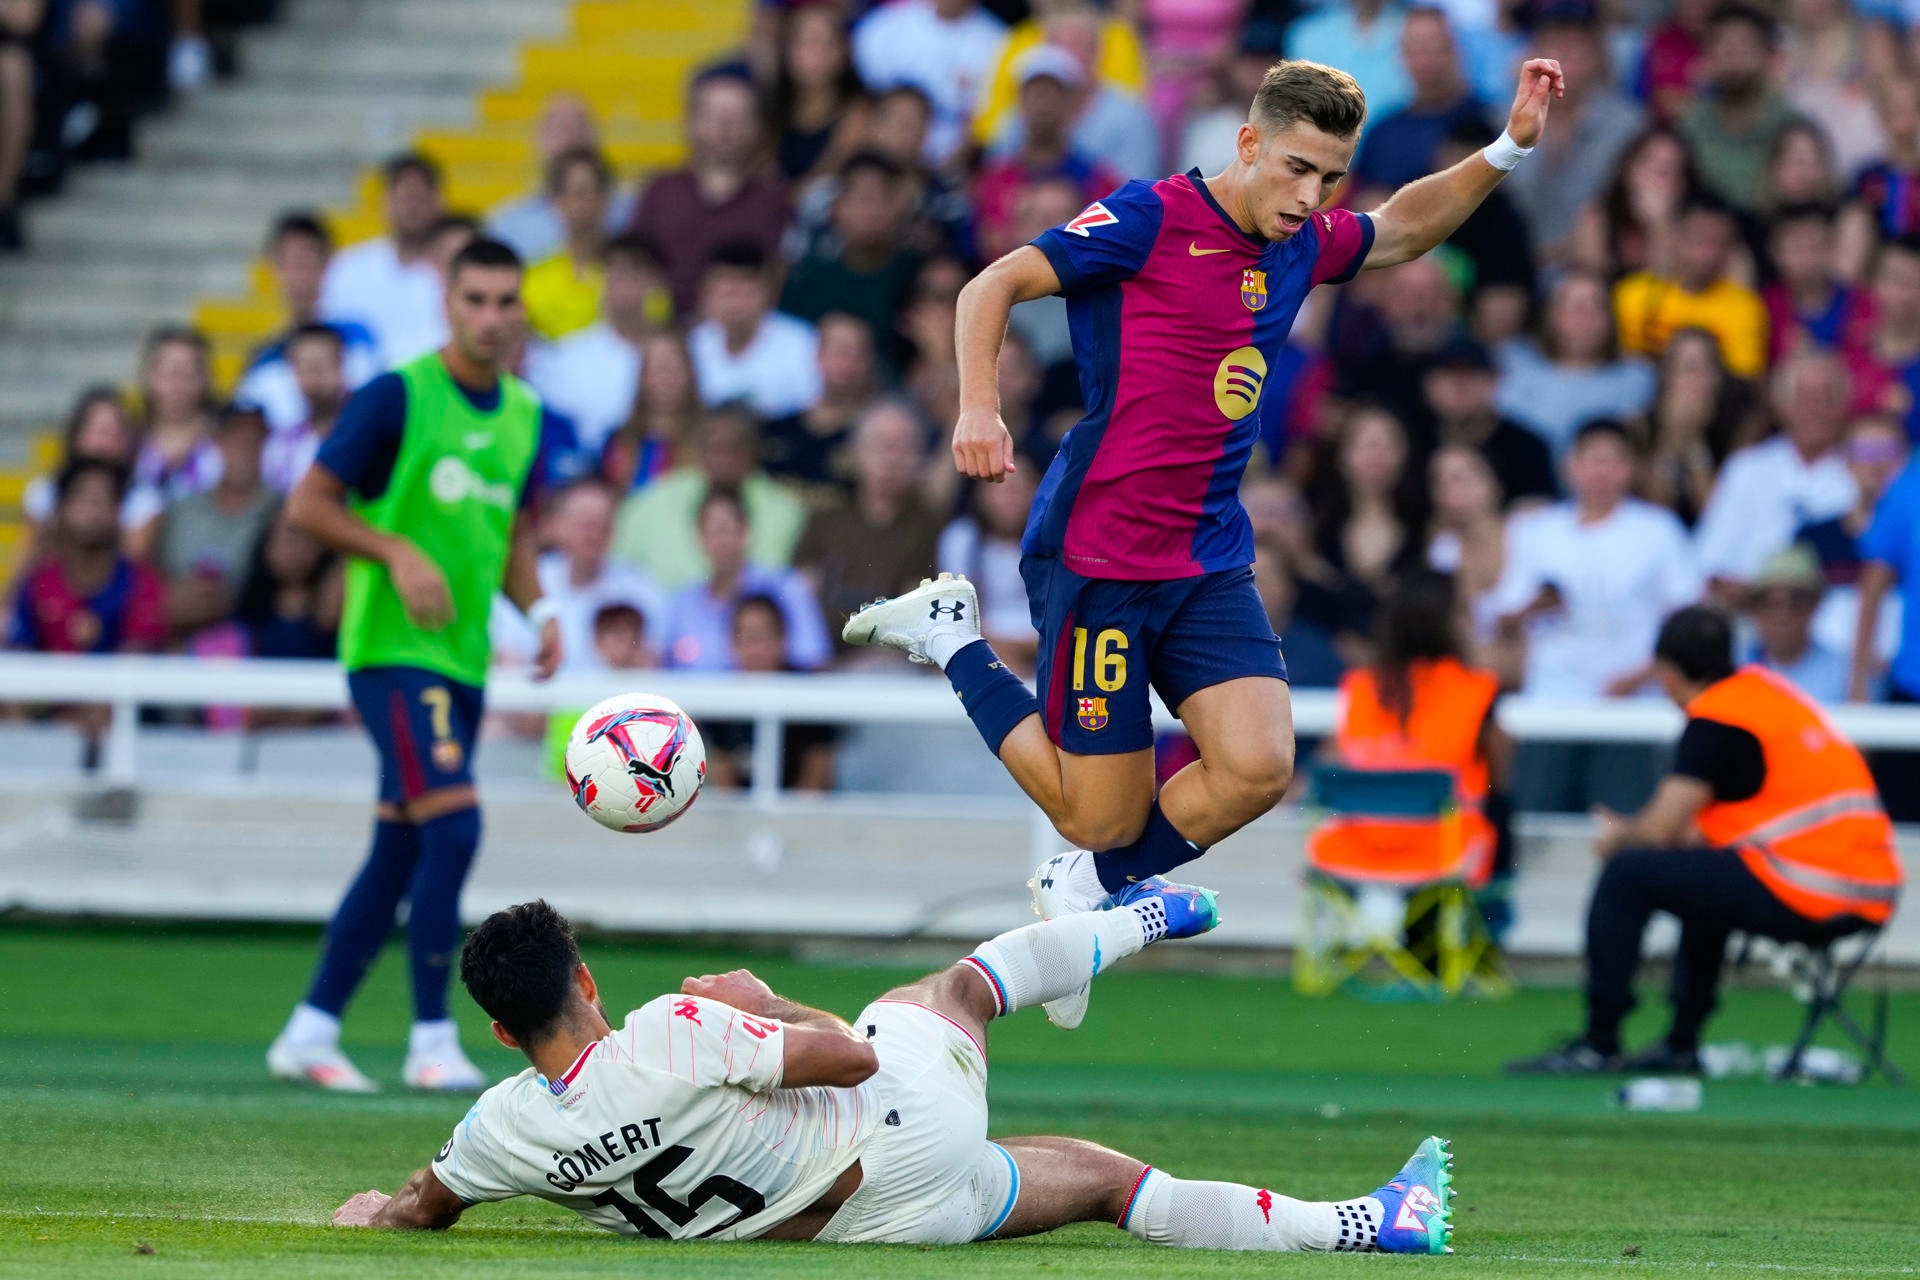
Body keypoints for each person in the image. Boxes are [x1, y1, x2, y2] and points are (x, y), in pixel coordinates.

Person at [842, 54, 1565, 1027]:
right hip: (1099, 551)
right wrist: (979, 405)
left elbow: (1400, 231)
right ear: (1249, 143)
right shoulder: (1148, 218)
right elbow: (992, 284)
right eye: (1297, 169)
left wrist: (1510, 147)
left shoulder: (1301, 241)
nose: (1310, 196)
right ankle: (953, 638)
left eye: (1330, 178)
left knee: (1261, 766)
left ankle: (1090, 881)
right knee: (1095, 807)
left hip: (1210, 556)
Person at [329, 897, 1457, 1256]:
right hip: (891, 1133)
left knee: (1110, 1182)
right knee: (944, 995)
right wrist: (756, 999)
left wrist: (368, 1207)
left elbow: (421, 1206)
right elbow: (854, 1054)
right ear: (584, 974)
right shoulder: (670, 1030)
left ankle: (1377, 1221)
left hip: (861, 1230)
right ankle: (1147, 909)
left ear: (494, 1028)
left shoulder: (496, 1128)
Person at [266, 238, 562, 1095]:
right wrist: (394, 548)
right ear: (448, 302)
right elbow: (309, 504)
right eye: (476, 299)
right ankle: (433, 1037)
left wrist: (538, 609)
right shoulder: (397, 396)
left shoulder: (524, 412)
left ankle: (310, 1027)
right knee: (456, 828)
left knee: (400, 850)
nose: (493, 317)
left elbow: (510, 529)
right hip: (392, 654)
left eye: (507, 301)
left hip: (462, 661)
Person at [1507, 606, 1900, 1075]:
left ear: (1668, 675)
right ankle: (1680, 1044)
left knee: (1627, 874)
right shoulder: (1768, 697)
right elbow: (1716, 825)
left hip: (1812, 888)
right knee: (1700, 874)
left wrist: (1617, 836)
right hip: (1865, 888)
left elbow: (1658, 831)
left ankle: (1599, 1040)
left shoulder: (1717, 718)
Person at [1320, 570, 1511, 892]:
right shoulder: (1476, 690)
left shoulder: (1359, 688)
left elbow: (1338, 763)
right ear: (1451, 622)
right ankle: (1491, 923)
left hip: (1354, 853)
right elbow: (1498, 779)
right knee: (1502, 804)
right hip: (1446, 855)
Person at [1489, 420, 1702, 701]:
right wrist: (1532, 607)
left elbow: (1686, 615)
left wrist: (1642, 675)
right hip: (1551, 694)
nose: (1602, 472)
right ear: (1569, 466)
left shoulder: (1660, 530)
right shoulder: (1535, 530)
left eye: (1614, 462)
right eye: (1593, 461)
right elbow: (1501, 618)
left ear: (1632, 469)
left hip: (1637, 697)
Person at [628, 69, 792, 317]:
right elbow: (635, 269)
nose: (724, 127)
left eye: (736, 117)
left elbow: (779, 276)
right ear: (691, 121)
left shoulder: (774, 200)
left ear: (757, 126)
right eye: (713, 116)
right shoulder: (660, 193)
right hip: (665, 335)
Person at [1691, 351, 1856, 594]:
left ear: (1844, 403)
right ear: (1782, 406)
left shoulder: (1864, 471)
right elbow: (1711, 563)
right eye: (1803, 397)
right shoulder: (1746, 468)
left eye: (1826, 397)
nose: (1814, 409)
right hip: (1753, 612)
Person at [793, 399, 944, 663]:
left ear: (921, 457)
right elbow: (799, 596)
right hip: (821, 662)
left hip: (895, 666)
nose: (891, 458)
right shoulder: (824, 520)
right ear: (855, 454)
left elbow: (918, 623)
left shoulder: (933, 525)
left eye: (902, 447)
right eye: (880, 446)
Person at [610, 405, 808, 591]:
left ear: (752, 451)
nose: (726, 459)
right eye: (716, 448)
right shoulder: (652, 501)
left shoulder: (786, 512)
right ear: (699, 452)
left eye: (735, 448)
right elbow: (620, 568)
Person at [1499, 8, 1642, 263]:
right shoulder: (1499, 122)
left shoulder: (1630, 128)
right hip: (1510, 267)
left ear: (1598, 56)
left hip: (1601, 266)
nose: (1563, 57)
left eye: (1575, 46)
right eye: (1553, 45)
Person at [488, 479, 665, 675]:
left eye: (602, 523)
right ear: (553, 524)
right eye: (584, 522)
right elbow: (508, 660)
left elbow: (651, 669)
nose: (593, 533)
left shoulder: (642, 590)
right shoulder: (526, 580)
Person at [972, 46, 1124, 263]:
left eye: (1053, 94)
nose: (1042, 103)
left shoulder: (1100, 182)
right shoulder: (991, 180)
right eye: (1034, 93)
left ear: (1072, 104)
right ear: (1020, 102)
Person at [525, 232, 668, 459]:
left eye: (635, 274)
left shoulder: (677, 355)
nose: (624, 284)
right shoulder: (567, 355)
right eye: (616, 273)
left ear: (657, 282)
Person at [235, 213, 381, 433]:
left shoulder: (360, 342)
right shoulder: (262, 361)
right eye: (290, 264)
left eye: (308, 263)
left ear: (328, 266)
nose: (299, 277)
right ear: (274, 271)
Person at [660, 488, 830, 672]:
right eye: (713, 531)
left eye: (728, 529)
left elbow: (813, 664)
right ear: (699, 538)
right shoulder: (681, 602)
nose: (722, 540)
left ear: (746, 532)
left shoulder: (787, 589)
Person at [9, 460, 167, 656]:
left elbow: (138, 659)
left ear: (118, 512)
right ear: (60, 510)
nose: (93, 508)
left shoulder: (143, 582)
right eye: (83, 498)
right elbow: (19, 654)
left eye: (104, 498)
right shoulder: (36, 581)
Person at [149, 403, 277, 642]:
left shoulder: (281, 510)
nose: (245, 449)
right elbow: (154, 577)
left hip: (258, 643)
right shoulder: (181, 510)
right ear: (218, 442)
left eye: (253, 439)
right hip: (179, 644)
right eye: (236, 438)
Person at [777, 152, 922, 364]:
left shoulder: (917, 276)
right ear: (835, 209)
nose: (869, 212)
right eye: (859, 199)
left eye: (880, 199)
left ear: (897, 208)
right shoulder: (807, 279)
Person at [1495, 268, 1656, 458]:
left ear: (1611, 319)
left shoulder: (1637, 377)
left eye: (1596, 307)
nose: (1585, 319)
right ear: (1552, 316)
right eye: (1576, 308)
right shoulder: (1516, 369)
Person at [1611, 193, 1768, 377]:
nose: (1706, 254)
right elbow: (1612, 366)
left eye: (1717, 242)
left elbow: (1743, 381)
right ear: (1677, 239)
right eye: (1699, 239)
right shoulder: (1632, 294)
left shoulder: (1746, 307)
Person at [701, 593, 841, 792]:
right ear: (732, 644)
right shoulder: (722, 703)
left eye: (763, 636)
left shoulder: (810, 695)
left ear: (783, 638)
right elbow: (725, 787)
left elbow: (816, 782)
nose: (756, 649)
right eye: (747, 637)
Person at [319, 152, 448, 369]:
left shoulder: (455, 274)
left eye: (419, 197)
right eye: (404, 197)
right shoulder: (348, 268)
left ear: (438, 202)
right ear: (384, 202)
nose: (412, 208)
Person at [1676, 3, 1806, 214]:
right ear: (1708, 57)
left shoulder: (1791, 125)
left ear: (1768, 55)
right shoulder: (1690, 126)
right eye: (1723, 44)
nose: (1733, 54)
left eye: (1744, 44)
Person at [850, 0, 1008, 165]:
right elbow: (863, 96)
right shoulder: (887, 23)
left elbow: (991, 124)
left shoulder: (998, 42)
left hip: (948, 165)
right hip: (876, 154)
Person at [1350, 10, 1490, 197]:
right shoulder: (1382, 133)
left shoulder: (1488, 121)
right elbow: (1364, 203)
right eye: (1416, 49)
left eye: (1434, 46)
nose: (1425, 59)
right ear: (1401, 54)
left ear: (1454, 50)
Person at [487, 94, 634, 263]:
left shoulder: (630, 213)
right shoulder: (507, 223)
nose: (571, 137)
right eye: (559, 128)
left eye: (580, 126)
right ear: (538, 140)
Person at [686, 242, 822, 420]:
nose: (735, 304)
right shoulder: (695, 344)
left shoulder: (804, 344)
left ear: (768, 293)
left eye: (746, 292)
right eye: (727, 293)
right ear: (706, 294)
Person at [1422, 336, 1557, 505]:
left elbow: (1539, 517)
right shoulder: (1411, 440)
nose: (1459, 387)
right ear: (1428, 384)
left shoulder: (1528, 448)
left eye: (1471, 377)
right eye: (1448, 377)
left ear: (1495, 382)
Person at [937, 462, 1042, 678]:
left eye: (1020, 490)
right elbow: (957, 617)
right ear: (982, 495)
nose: (1011, 499)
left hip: (1043, 645)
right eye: (1003, 489)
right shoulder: (962, 539)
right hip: (984, 644)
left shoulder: (1052, 542)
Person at [760, 312, 877, 503]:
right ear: (817, 354)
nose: (846, 364)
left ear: (868, 362)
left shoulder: (875, 439)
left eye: (856, 354)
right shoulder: (773, 429)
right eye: (839, 352)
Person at [767, 3, 871, 190]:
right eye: (807, 42)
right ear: (785, 51)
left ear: (846, 52)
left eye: (827, 42)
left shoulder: (861, 113)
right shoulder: (769, 108)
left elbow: (830, 177)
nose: (817, 54)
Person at [521, 147, 615, 341]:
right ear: (555, 200)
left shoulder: (630, 273)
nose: (587, 202)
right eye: (578, 192)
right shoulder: (533, 276)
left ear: (607, 199)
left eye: (596, 192)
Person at [1742, 544, 1848, 702]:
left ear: (1814, 606)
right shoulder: (1733, 665)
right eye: (1770, 603)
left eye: (1795, 602)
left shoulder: (1845, 672)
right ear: (1755, 609)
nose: (1782, 615)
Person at [599, 331, 700, 495]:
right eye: (658, 370)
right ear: (642, 377)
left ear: (691, 374)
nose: (666, 379)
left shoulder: (711, 438)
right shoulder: (619, 441)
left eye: (674, 369)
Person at [261, 325, 348, 494]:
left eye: (322, 366)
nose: (315, 377)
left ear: (341, 366)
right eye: (307, 367)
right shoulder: (279, 447)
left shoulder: (366, 434)